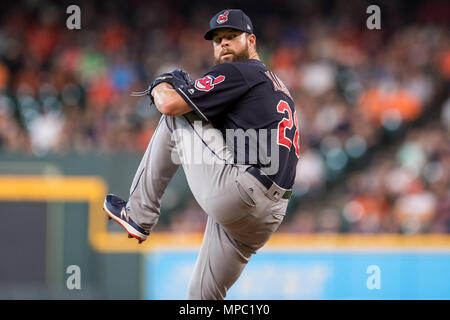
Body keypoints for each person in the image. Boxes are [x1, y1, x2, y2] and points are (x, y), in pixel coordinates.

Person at [103, 9, 300, 300]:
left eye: (232, 37)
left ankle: (138, 215)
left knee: (175, 118)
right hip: (268, 214)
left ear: (252, 41)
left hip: (242, 192)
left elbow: (169, 105)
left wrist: (161, 85)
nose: (223, 43)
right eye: (217, 39)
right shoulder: (273, 85)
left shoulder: (240, 71)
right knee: (201, 298)